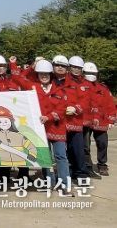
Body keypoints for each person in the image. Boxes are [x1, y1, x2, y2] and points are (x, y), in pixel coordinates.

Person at [11, 59, 71, 193]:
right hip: (40, 129)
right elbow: (16, 78)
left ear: (51, 74)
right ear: (37, 74)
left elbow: (62, 109)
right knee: (45, 157)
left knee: (61, 156)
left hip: (57, 128)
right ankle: (50, 182)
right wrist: (19, 65)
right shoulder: (32, 86)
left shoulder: (60, 90)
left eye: (46, 73)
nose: (44, 76)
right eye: (41, 73)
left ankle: (65, 184)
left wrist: (49, 117)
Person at [82, 62, 116, 177]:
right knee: (85, 145)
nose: (91, 75)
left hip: (101, 120)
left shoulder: (103, 89)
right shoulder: (80, 87)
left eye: (93, 73)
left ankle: (102, 164)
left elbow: (110, 105)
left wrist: (111, 120)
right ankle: (87, 165)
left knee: (102, 143)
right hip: (85, 120)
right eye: (88, 73)